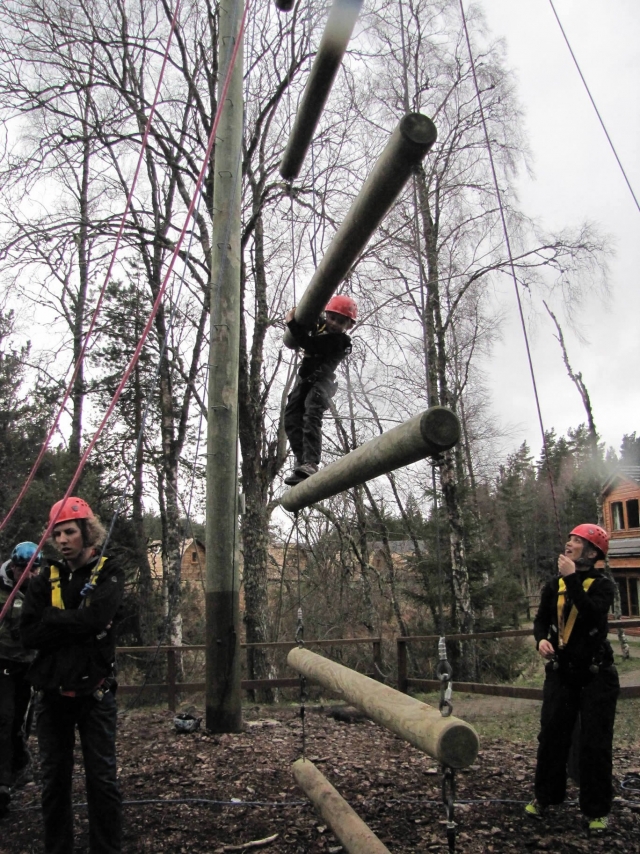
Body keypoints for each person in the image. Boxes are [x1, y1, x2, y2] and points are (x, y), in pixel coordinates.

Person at [21, 497, 124, 854]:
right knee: (53, 782)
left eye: (69, 532)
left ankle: (106, 849)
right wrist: (77, 625)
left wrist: (53, 619)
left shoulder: (109, 572)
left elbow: (97, 620)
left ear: (86, 533)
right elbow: (28, 633)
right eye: (57, 534)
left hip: (94, 694)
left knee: (102, 780)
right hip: (52, 694)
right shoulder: (43, 577)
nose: (62, 540)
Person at [526, 523, 619, 834]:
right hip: (561, 673)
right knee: (551, 737)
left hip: (595, 675)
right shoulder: (555, 585)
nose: (568, 544)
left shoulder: (603, 586)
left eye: (576, 541)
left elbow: (592, 614)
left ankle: (596, 809)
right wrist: (540, 640)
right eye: (569, 539)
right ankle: (545, 797)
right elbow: (541, 620)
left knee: (595, 743)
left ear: (591, 553)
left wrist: (571, 578)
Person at [283, 294, 357, 485]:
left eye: (340, 321)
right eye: (331, 318)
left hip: (322, 383)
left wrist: (291, 321)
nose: (334, 323)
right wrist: (302, 313)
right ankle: (301, 461)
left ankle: (310, 462)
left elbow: (309, 344)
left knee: (311, 416)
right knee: (291, 416)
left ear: (348, 325)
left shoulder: (339, 341)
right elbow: (312, 322)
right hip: (305, 381)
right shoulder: (321, 326)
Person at [0, 541, 41, 817]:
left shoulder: (41, 591)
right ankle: (2, 784)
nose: (29, 575)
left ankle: (16, 766)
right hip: (2, 661)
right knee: (3, 717)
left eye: (34, 570)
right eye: (24, 569)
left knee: (19, 722)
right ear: (13, 568)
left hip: (27, 664)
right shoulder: (3, 590)